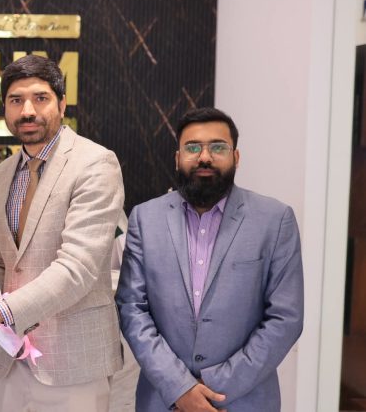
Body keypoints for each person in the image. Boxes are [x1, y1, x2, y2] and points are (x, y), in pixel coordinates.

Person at [0, 55, 125, 411]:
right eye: (16, 100)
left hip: (74, 362)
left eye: (40, 98)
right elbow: (0, 262)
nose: (28, 111)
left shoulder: (95, 164)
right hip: (12, 358)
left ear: (62, 104)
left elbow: (77, 269)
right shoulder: (2, 174)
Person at [115, 107, 304, 411]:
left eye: (218, 147)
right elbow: (131, 308)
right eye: (193, 148)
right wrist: (179, 387)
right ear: (177, 158)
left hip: (243, 400)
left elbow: (286, 318)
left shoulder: (274, 220)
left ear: (236, 157)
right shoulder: (145, 219)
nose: (205, 157)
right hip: (164, 399)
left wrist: (214, 387)